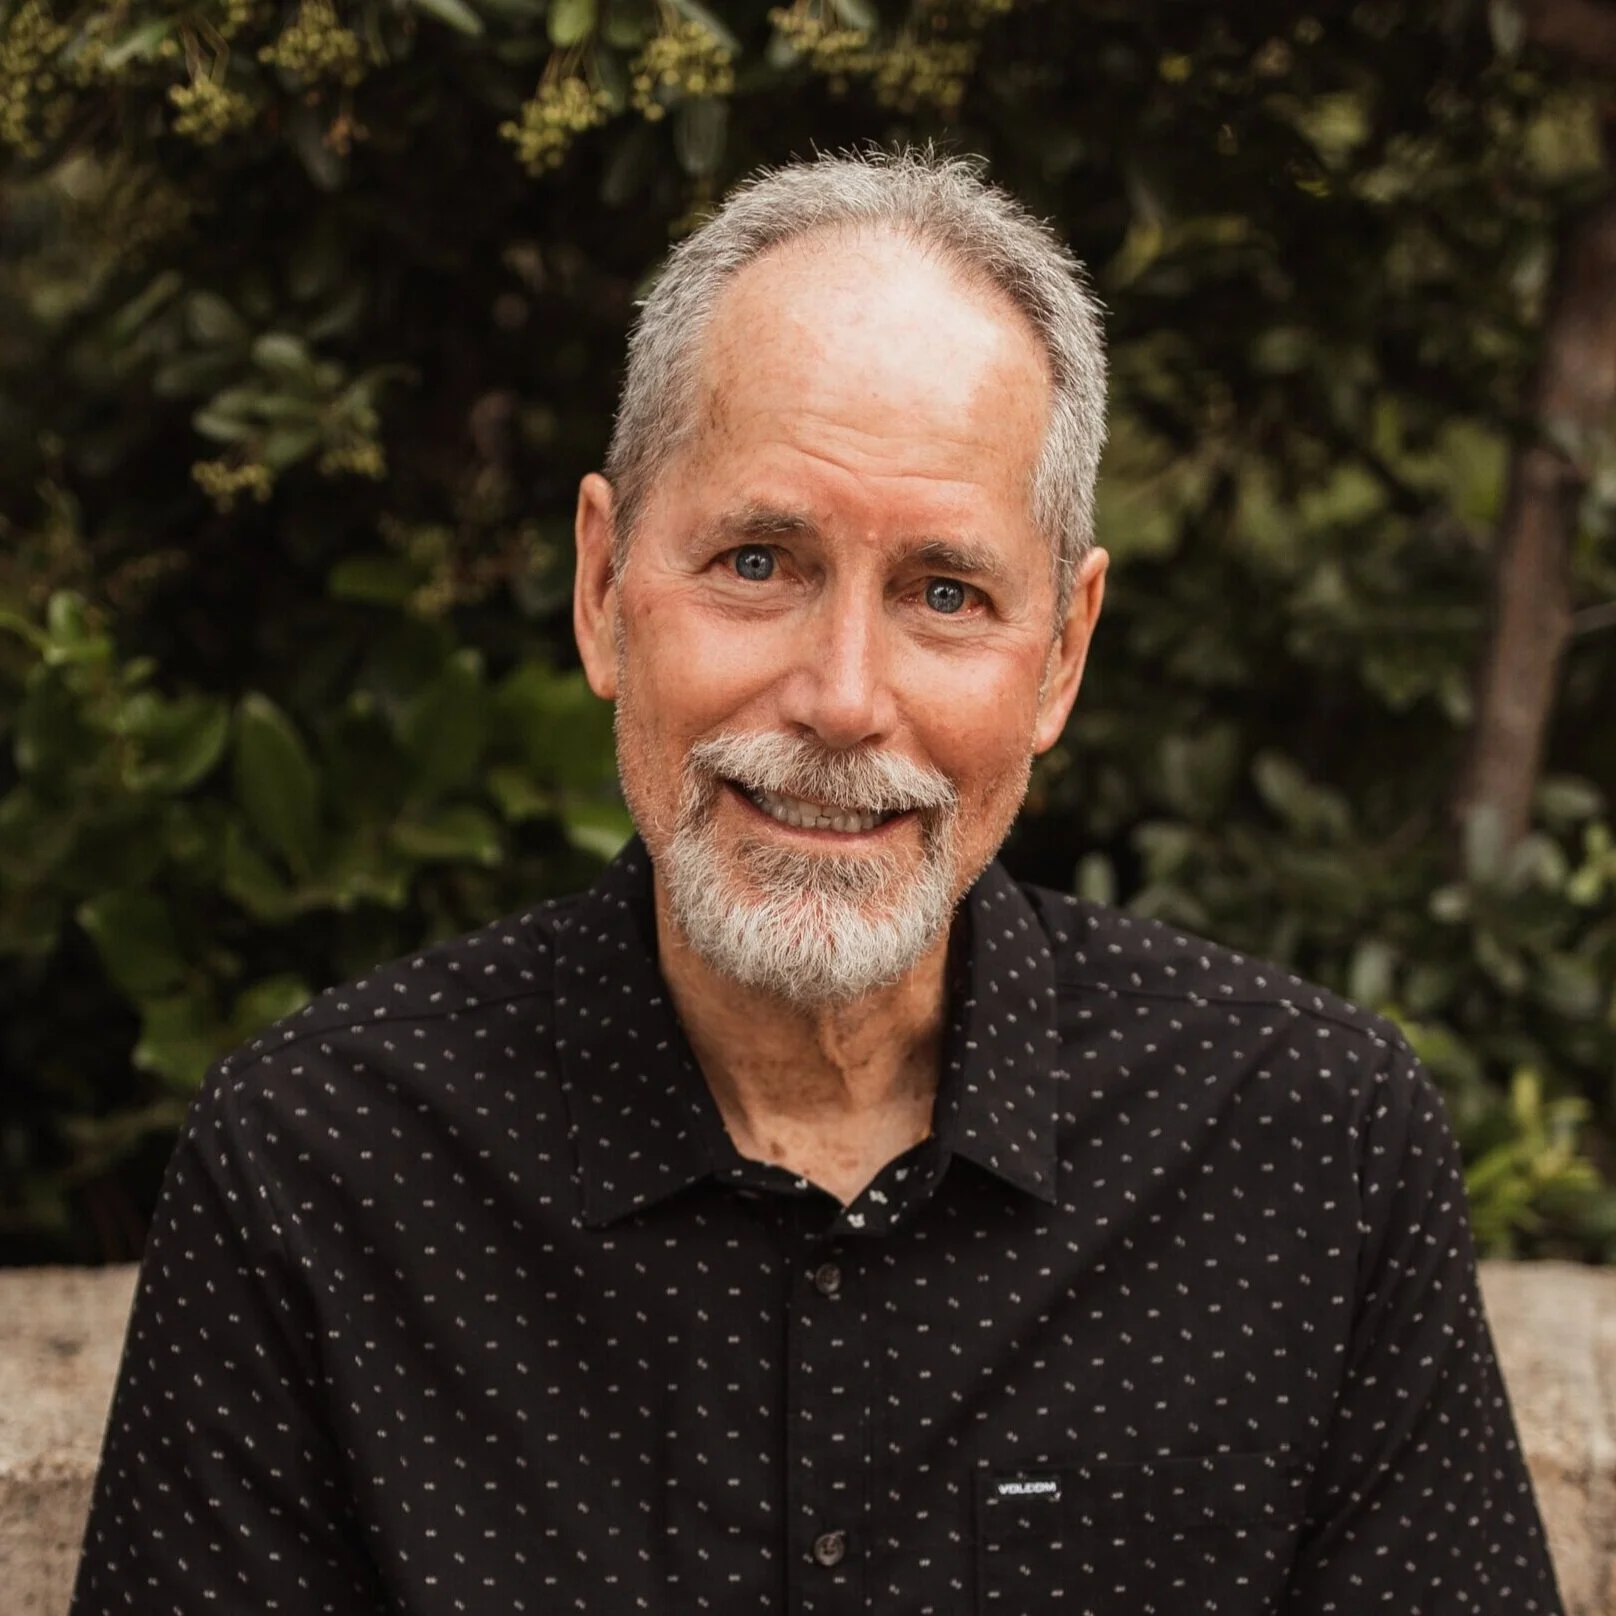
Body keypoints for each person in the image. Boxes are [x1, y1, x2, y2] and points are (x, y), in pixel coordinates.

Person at [72, 148, 1562, 1615]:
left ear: (1060, 656)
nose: (843, 699)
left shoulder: (1313, 1152)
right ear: (603, 590)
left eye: (945, 593)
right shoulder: (320, 1171)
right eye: (759, 563)